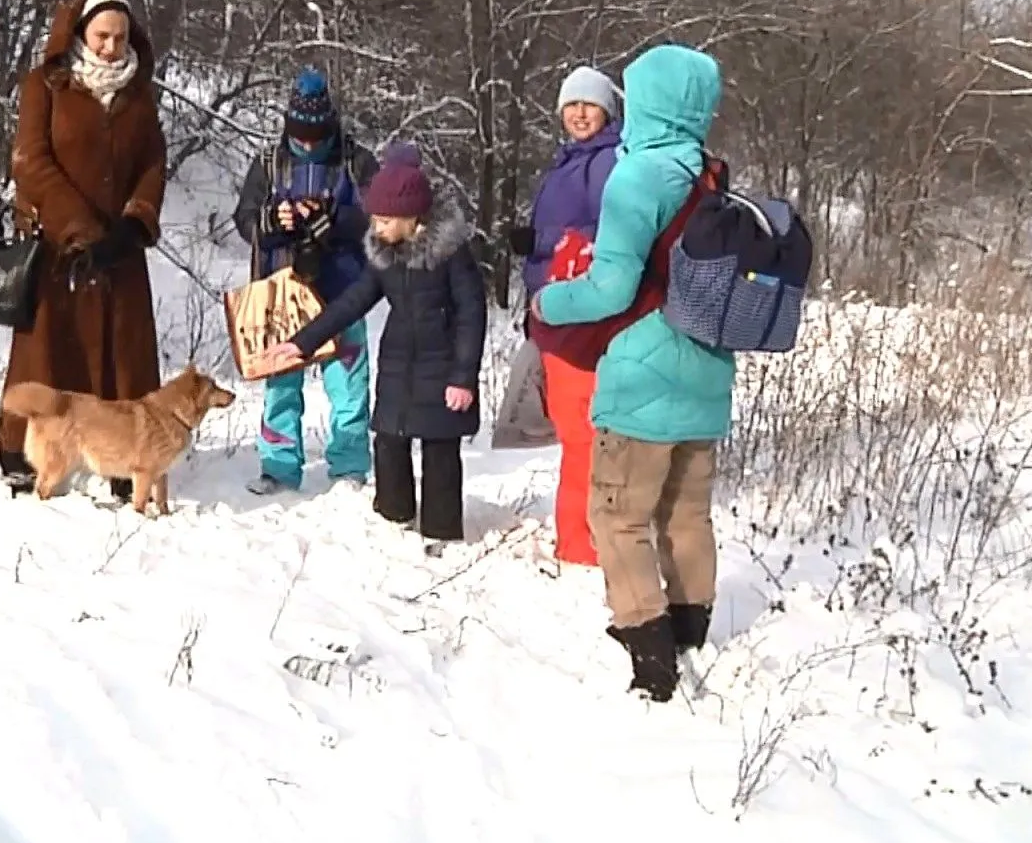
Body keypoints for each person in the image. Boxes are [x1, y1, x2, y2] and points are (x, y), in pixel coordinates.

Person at [531, 44, 735, 704]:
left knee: (617, 514)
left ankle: (649, 653)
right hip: (706, 368)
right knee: (686, 511)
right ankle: (691, 625)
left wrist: (548, 302)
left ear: (643, 102)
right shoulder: (709, 172)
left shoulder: (638, 175)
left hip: (643, 376)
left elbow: (611, 290)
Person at [264, 142, 486, 555]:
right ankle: (393, 516)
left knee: (439, 448)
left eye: (384, 220)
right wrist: (302, 343)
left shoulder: (452, 253)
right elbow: (352, 301)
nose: (377, 227)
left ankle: (441, 531)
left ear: (411, 216)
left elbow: (473, 314)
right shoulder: (384, 253)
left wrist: (463, 377)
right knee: (388, 437)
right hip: (399, 360)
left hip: (442, 365)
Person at [0, 0, 168, 502]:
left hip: (118, 252)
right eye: (101, 36)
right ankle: (24, 456)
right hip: (57, 247)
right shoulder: (45, 85)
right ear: (80, 34)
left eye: (119, 37)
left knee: (125, 359)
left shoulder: (139, 92)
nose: (111, 47)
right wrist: (79, 228)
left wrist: (134, 225)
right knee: (48, 356)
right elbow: (30, 161)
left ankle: (125, 460)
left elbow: (153, 165)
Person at [231, 67, 377, 496]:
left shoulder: (356, 161)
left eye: (316, 134)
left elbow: (385, 220)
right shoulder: (268, 163)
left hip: (343, 293)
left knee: (349, 387)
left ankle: (349, 468)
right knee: (281, 385)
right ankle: (278, 467)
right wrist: (273, 219)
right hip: (281, 294)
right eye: (300, 134)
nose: (309, 143)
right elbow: (243, 220)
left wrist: (336, 218)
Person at [505, 64, 624, 567]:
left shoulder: (608, 162)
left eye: (588, 104)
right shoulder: (570, 159)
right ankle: (578, 537)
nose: (578, 113)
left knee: (581, 431)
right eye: (570, 104)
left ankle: (583, 543)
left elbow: (606, 235)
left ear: (608, 110)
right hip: (554, 307)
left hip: (580, 313)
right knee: (573, 428)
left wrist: (544, 244)